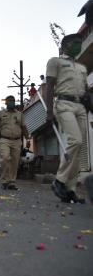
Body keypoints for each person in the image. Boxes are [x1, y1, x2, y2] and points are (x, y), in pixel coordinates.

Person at [45, 33, 88, 204]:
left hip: (81, 106)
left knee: (79, 149)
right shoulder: (55, 61)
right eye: (75, 43)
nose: (79, 45)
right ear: (65, 46)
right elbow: (49, 86)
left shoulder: (82, 67)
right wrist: (49, 112)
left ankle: (70, 189)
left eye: (80, 43)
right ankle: (59, 180)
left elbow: (85, 93)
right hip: (63, 104)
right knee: (75, 141)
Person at [0, 96, 30, 190]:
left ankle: (12, 182)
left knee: (15, 162)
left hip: (17, 141)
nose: (11, 103)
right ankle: (4, 181)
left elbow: (24, 128)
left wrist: (28, 139)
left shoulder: (20, 114)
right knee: (5, 158)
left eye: (13, 101)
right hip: (4, 140)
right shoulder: (0, 113)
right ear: (6, 103)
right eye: (9, 101)